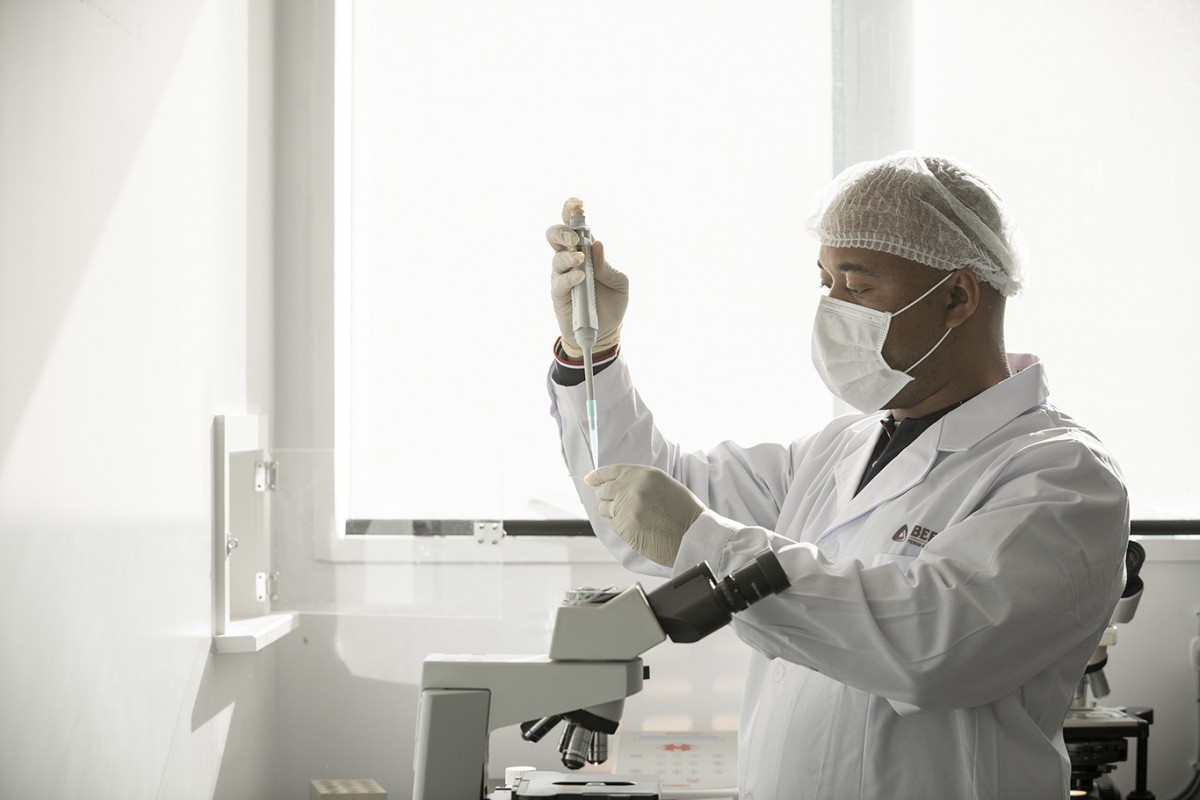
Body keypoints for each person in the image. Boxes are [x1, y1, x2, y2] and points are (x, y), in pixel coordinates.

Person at [544, 153, 1130, 800]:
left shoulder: (1062, 475)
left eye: (857, 285)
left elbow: (933, 647)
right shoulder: (837, 451)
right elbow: (640, 504)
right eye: (825, 282)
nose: (831, 309)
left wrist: (707, 543)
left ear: (958, 296)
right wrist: (591, 354)